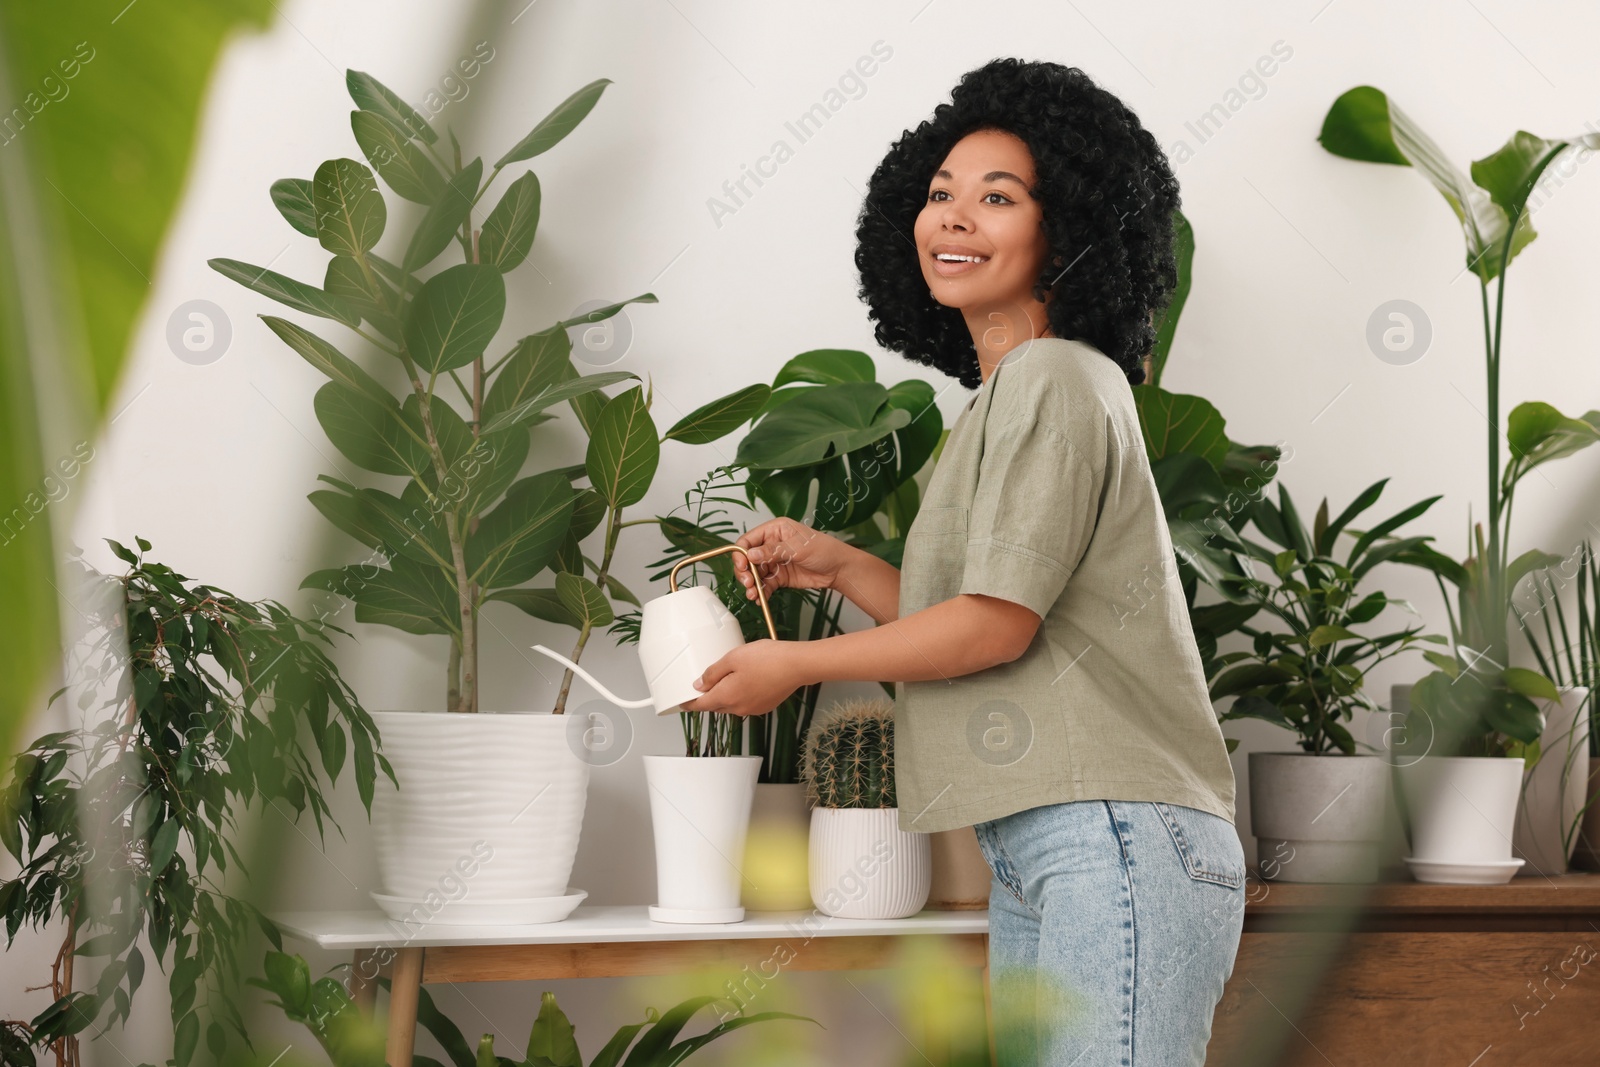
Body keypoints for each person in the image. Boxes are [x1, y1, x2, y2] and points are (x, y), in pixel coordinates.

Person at [680, 57, 1245, 1066]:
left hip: (1107, 833)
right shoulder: (1001, 399)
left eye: (997, 197)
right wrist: (842, 563)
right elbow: (982, 614)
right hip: (1048, 840)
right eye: (939, 195)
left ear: (1066, 228)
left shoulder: (1058, 377)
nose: (954, 218)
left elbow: (995, 626)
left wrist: (796, 667)